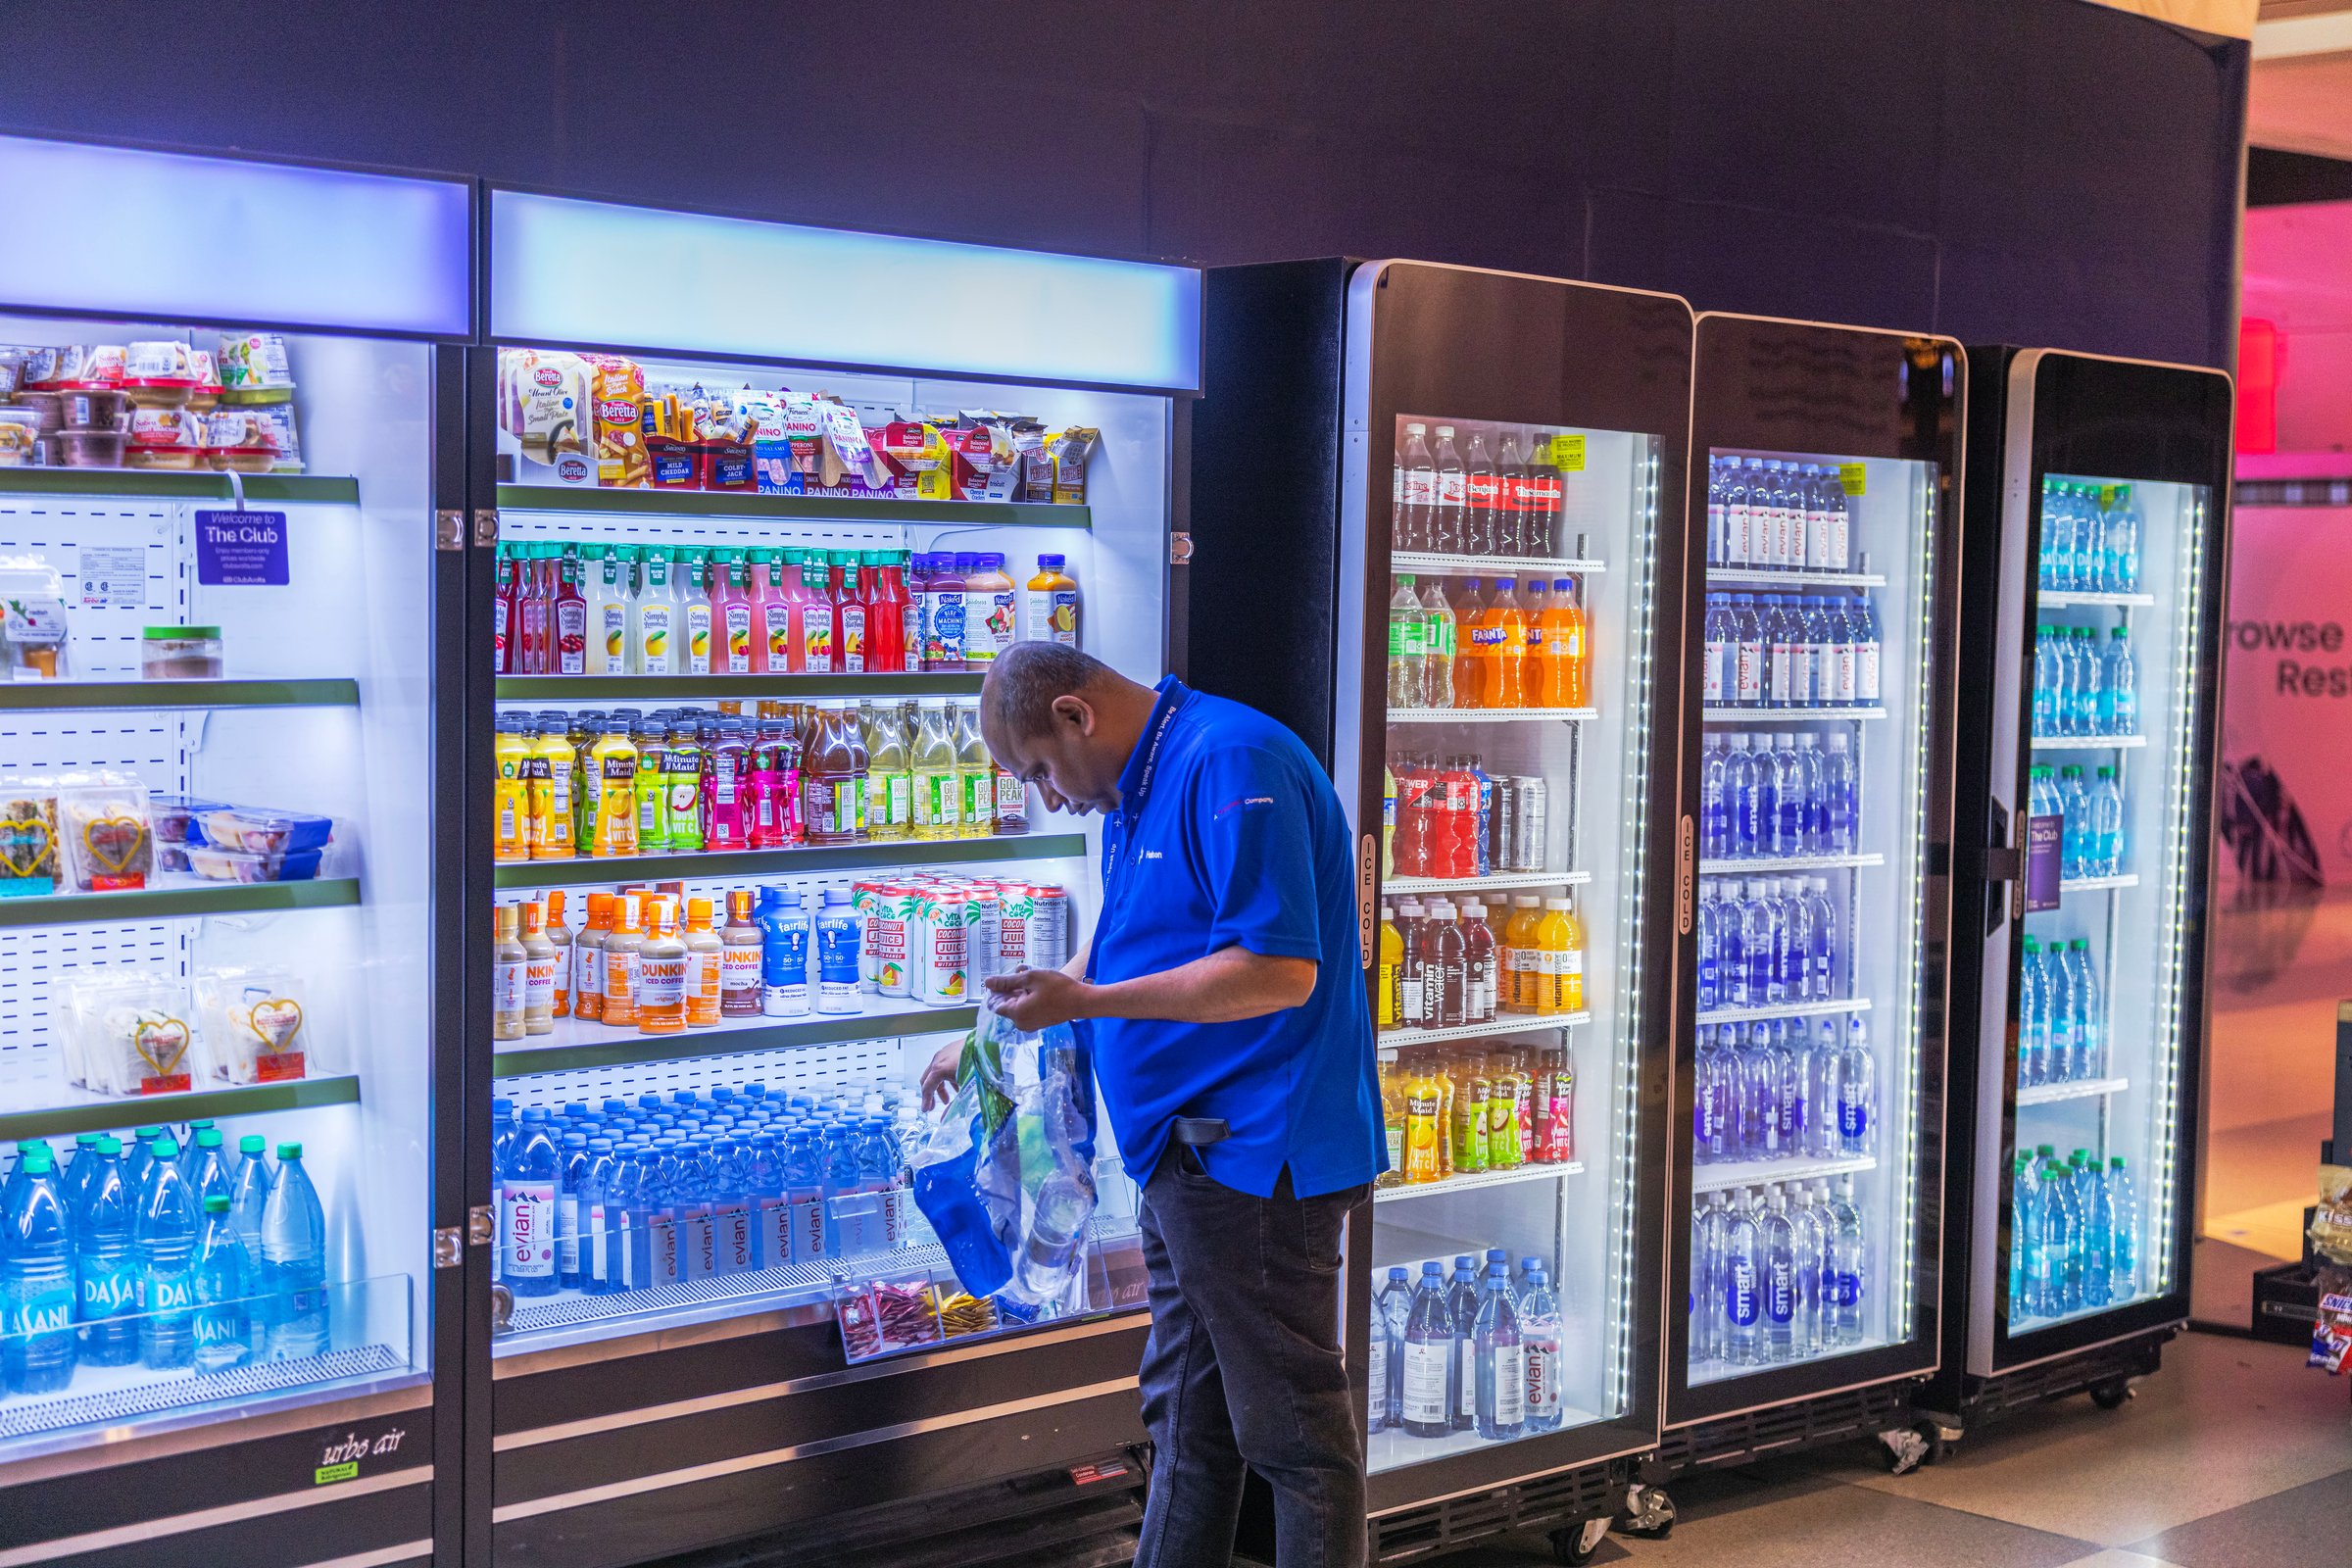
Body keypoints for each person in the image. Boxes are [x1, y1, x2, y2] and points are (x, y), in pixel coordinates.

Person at [921, 642, 1384, 1568]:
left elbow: (1278, 971)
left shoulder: (1228, 762)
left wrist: (1085, 1006)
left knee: (1294, 1439)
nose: (1050, 797)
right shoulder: (1136, 787)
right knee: (1187, 1424)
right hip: (1185, 1157)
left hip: (1256, 1159)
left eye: (1041, 772)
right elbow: (1126, 941)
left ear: (1075, 716)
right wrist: (995, 1032)